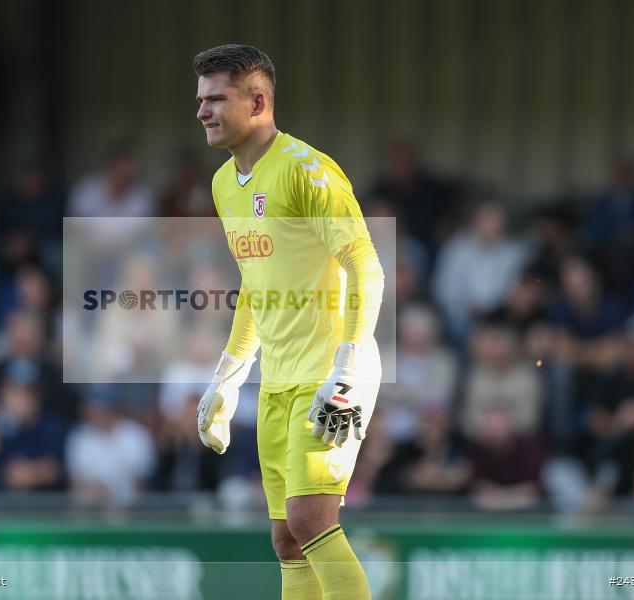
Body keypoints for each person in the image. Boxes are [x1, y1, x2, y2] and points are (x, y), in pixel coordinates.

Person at [193, 45, 383, 599]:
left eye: (215, 99)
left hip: (331, 372)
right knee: (287, 538)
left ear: (257, 101)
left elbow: (366, 266)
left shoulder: (308, 171)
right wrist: (227, 376)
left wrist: (347, 368)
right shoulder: (225, 183)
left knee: (311, 520)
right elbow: (256, 286)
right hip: (277, 379)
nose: (202, 111)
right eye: (199, 100)